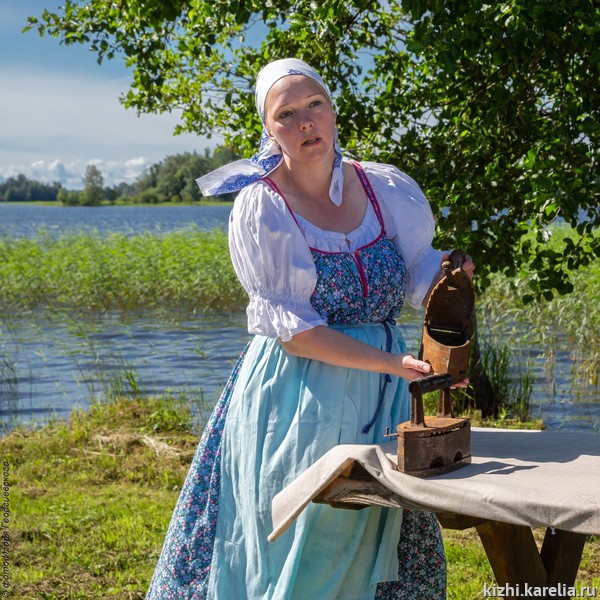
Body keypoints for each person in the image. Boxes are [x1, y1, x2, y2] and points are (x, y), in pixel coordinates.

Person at [147, 58, 474, 600]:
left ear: (333, 112)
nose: (305, 122)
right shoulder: (264, 205)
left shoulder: (382, 188)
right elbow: (295, 332)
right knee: (307, 536)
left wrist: (449, 279)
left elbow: (418, 275)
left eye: (315, 105)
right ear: (269, 129)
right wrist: (392, 364)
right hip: (299, 393)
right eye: (286, 114)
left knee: (384, 528)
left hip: (386, 389)